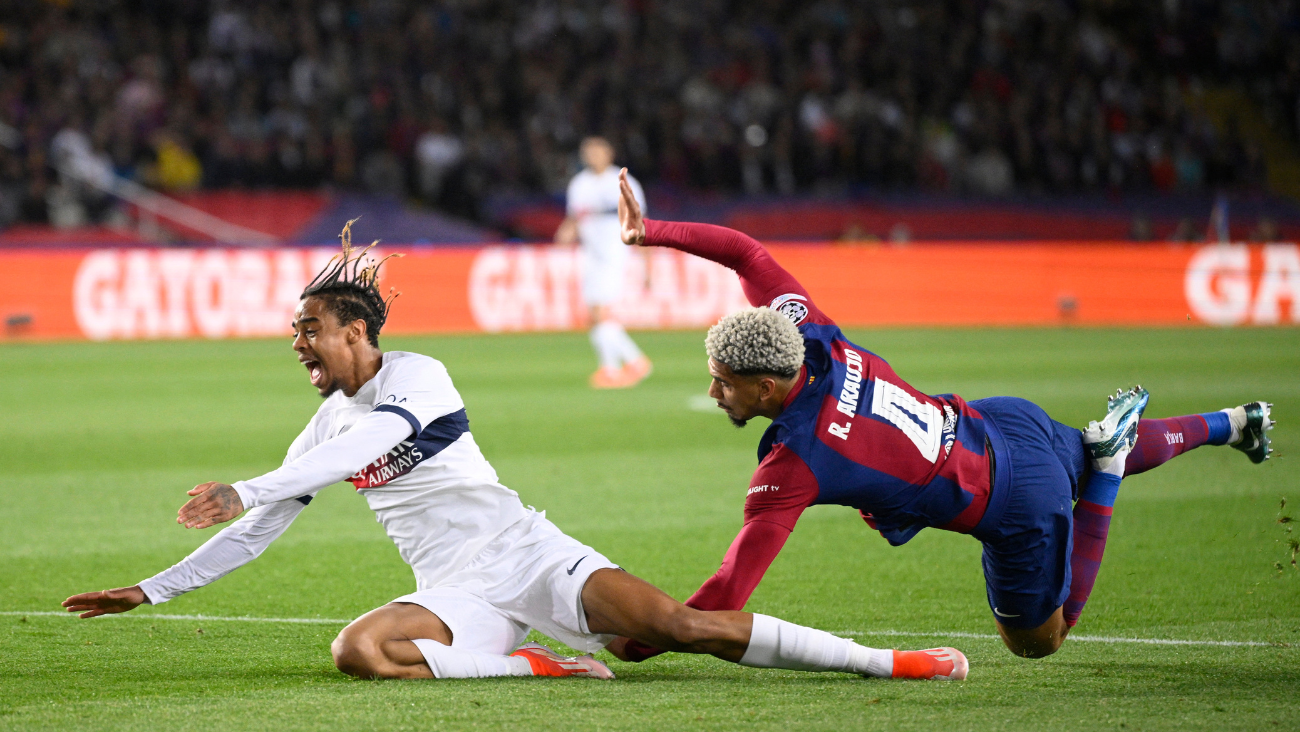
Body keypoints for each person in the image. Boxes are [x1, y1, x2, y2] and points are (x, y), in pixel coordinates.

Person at [62, 222, 969, 682]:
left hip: (528, 555)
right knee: (358, 653)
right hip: (454, 589)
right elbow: (260, 527)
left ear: (355, 330)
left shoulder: (420, 378)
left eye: (309, 330)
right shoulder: (322, 432)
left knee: (680, 630)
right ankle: (535, 667)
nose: (297, 344)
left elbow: (374, 445)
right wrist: (152, 588)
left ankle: (898, 663)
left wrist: (248, 483)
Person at [611, 168, 1275, 661]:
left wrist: (631, 643)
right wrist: (650, 232)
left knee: (1040, 642)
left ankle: (1103, 480)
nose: (713, 392)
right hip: (1004, 422)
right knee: (1089, 445)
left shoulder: (797, 461)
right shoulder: (809, 333)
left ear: (764, 389)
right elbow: (748, 255)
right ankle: (1238, 421)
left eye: (723, 383)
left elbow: (728, 592)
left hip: (1011, 499)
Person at [554, 137, 652, 389]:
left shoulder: (623, 182)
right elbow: (574, 218)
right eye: (588, 152)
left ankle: (613, 369)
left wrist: (646, 263)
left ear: (609, 153)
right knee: (593, 315)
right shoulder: (580, 184)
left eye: (597, 151)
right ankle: (630, 363)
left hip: (615, 254)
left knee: (602, 311)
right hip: (591, 255)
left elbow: (640, 223)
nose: (592, 156)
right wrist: (565, 234)